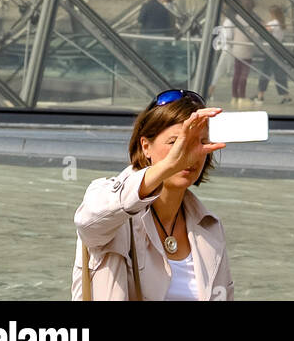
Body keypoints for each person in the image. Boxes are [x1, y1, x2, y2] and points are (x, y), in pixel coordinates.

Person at [71, 89, 234, 300]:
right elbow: (88, 222)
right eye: (176, 143)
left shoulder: (210, 227)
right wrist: (168, 167)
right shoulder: (112, 208)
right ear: (146, 146)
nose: (188, 155)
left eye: (200, 143)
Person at [255, 5, 292, 105]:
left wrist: (263, 25)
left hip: (271, 51)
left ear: (272, 13)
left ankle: (260, 95)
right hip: (279, 50)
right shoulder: (281, 23)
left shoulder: (273, 23)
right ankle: (286, 96)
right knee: (279, 73)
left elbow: (265, 31)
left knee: (265, 72)